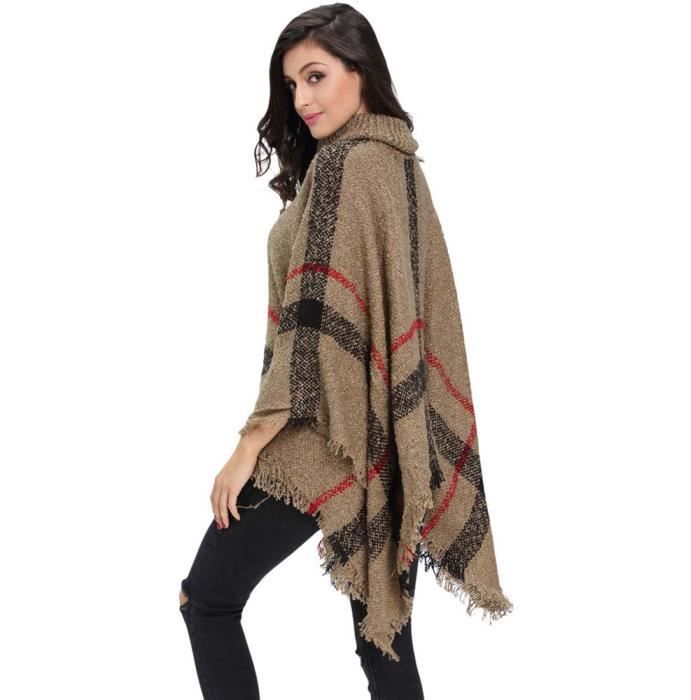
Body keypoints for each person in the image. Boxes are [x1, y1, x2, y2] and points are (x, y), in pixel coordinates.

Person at [179, 4, 428, 699]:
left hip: (323, 436)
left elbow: (312, 328)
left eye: (316, 76)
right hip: (385, 439)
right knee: (382, 642)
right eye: (292, 85)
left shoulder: (348, 166)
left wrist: (250, 445)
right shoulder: (397, 162)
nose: (302, 98)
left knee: (207, 600)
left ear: (360, 71)